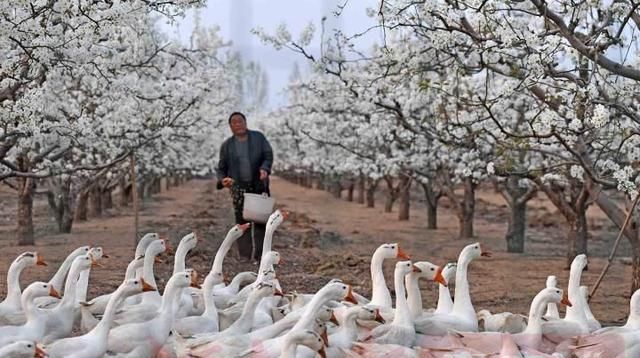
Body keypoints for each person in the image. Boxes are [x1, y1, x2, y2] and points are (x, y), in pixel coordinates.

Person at [216, 112, 274, 260]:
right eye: (234, 122)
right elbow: (221, 167)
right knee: (242, 222)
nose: (237, 124)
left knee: (261, 221)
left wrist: (265, 169)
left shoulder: (258, 138)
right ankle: (245, 256)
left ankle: (261, 256)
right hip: (239, 189)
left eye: (240, 121)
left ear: (245, 122)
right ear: (230, 126)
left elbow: (268, 155)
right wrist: (223, 180)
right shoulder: (227, 145)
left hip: (258, 185)